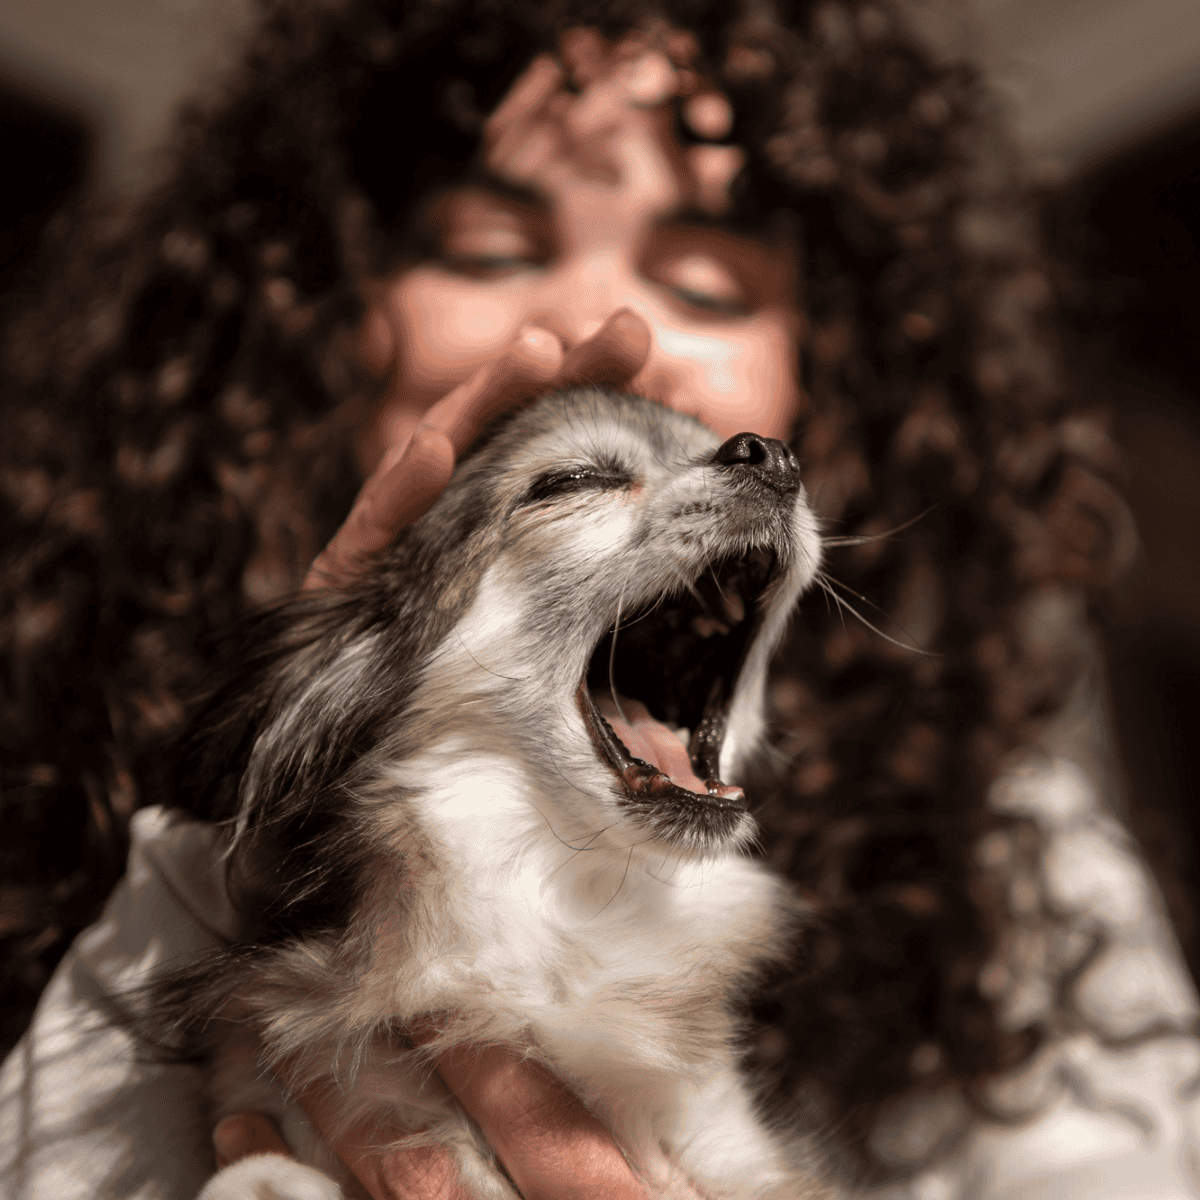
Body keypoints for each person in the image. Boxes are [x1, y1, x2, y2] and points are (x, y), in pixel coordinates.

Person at [2, 0, 1196, 1197]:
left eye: (709, 280)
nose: (599, 323)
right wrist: (223, 846)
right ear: (317, 333)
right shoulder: (103, 818)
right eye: (484, 248)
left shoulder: (1019, 868)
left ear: (824, 388)